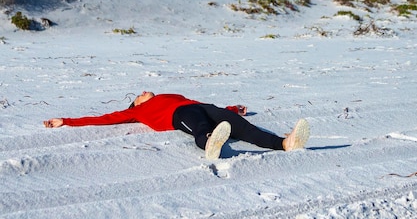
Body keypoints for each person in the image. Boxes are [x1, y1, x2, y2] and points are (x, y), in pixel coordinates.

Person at [44, 91, 310, 160]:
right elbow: (102, 119)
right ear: (135, 105)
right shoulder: (139, 112)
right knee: (199, 127)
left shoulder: (166, 95)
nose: (144, 91)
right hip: (179, 115)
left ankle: (284, 143)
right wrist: (65, 121)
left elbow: (202, 104)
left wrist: (231, 110)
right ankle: (209, 144)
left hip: (200, 105)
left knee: (245, 128)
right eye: (139, 94)